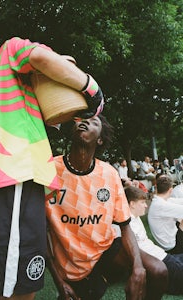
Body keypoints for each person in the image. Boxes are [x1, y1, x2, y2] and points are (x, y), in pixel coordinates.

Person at [0, 37, 104, 300]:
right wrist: (91, 89)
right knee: (15, 288)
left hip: (8, 177)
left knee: (8, 278)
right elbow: (42, 59)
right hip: (12, 172)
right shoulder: (12, 47)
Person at [45, 114, 168, 300]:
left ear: (100, 139)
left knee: (158, 271)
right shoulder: (49, 170)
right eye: (79, 120)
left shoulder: (109, 174)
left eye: (94, 122)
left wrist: (138, 267)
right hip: (72, 262)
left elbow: (124, 225)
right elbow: (38, 230)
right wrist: (58, 281)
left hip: (107, 251)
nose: (84, 122)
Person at [125, 185, 183, 295]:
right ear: (132, 204)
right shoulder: (127, 225)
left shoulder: (135, 217)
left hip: (161, 254)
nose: (146, 206)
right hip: (159, 261)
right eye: (142, 203)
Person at [148, 175, 183, 254]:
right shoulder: (161, 205)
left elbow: (179, 201)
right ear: (171, 190)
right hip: (170, 245)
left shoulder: (160, 200)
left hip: (168, 238)